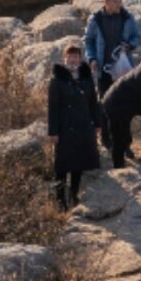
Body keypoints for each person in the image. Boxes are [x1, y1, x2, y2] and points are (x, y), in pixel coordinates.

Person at [47, 37, 105, 207]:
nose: (73, 60)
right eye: (70, 57)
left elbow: (94, 102)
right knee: (62, 165)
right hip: (65, 128)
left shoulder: (87, 78)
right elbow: (53, 107)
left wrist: (97, 123)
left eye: (76, 56)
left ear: (80, 58)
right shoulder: (57, 80)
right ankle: (60, 200)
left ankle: (74, 195)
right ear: (65, 59)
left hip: (84, 126)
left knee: (79, 163)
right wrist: (53, 132)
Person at [84, 0, 141, 92]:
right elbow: (88, 41)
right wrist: (92, 59)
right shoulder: (95, 19)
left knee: (125, 101)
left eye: (120, 1)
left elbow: (137, 36)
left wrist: (129, 45)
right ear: (106, 2)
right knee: (105, 102)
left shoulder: (127, 17)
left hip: (123, 67)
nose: (119, 4)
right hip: (103, 69)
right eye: (115, 1)